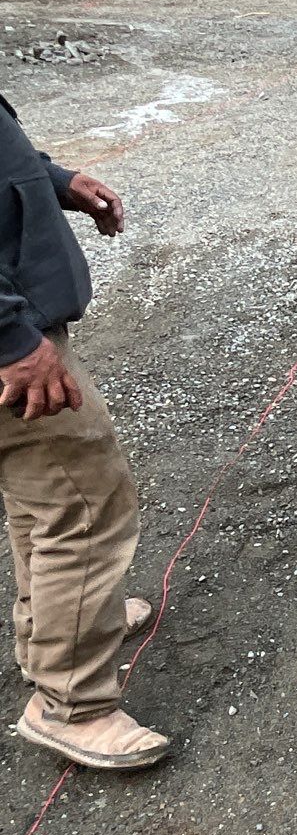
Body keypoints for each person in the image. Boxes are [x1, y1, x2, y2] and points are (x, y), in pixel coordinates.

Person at [0, 92, 168, 770]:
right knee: (85, 502)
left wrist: (49, 178)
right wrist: (10, 337)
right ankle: (71, 702)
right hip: (12, 343)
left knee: (41, 495)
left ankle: (59, 630)